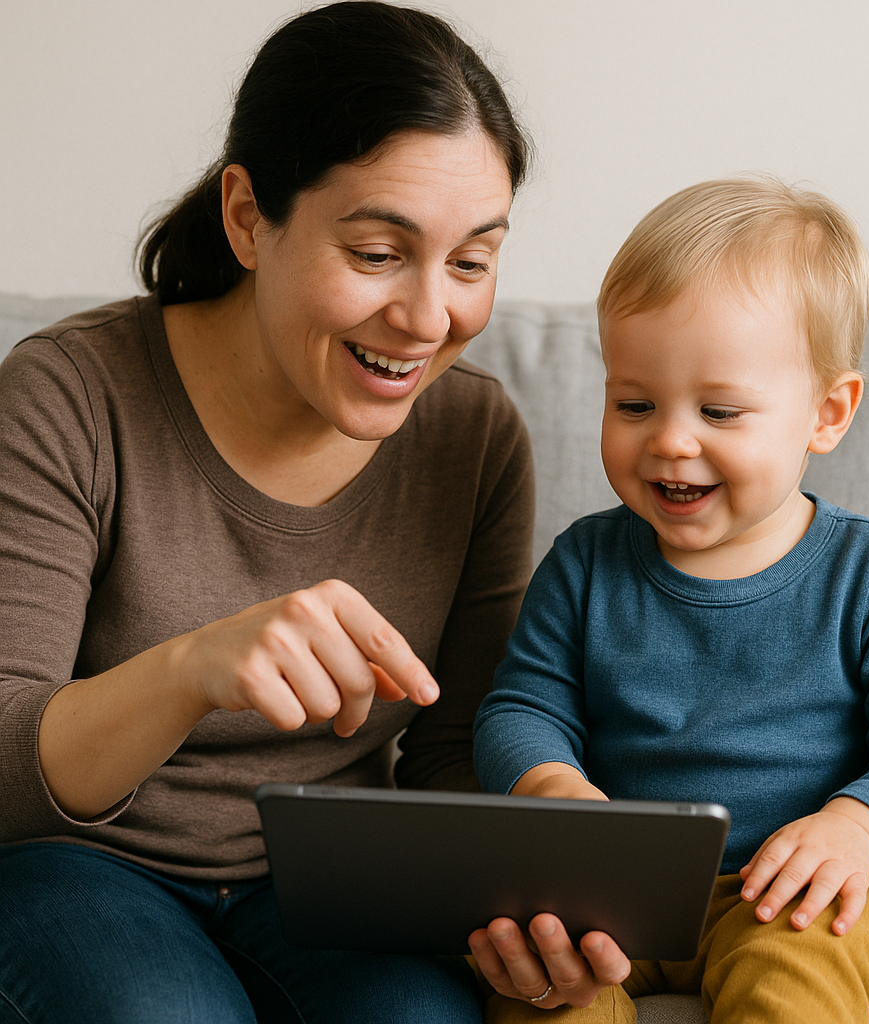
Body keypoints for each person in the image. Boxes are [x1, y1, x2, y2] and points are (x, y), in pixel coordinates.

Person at [0, 3, 592, 1021]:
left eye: (470, 260)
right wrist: (193, 669)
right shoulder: (70, 397)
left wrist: (531, 903)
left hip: (332, 882)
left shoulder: (474, 434)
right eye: (377, 252)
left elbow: (451, 751)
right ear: (247, 216)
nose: (428, 318)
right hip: (76, 867)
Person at [470, 178, 869, 1023]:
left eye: (718, 410)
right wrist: (550, 783)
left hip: (804, 886)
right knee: (536, 982)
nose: (671, 439)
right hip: (619, 888)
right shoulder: (585, 563)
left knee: (793, 981)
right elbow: (521, 708)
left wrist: (857, 826)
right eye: (634, 403)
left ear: (827, 414)